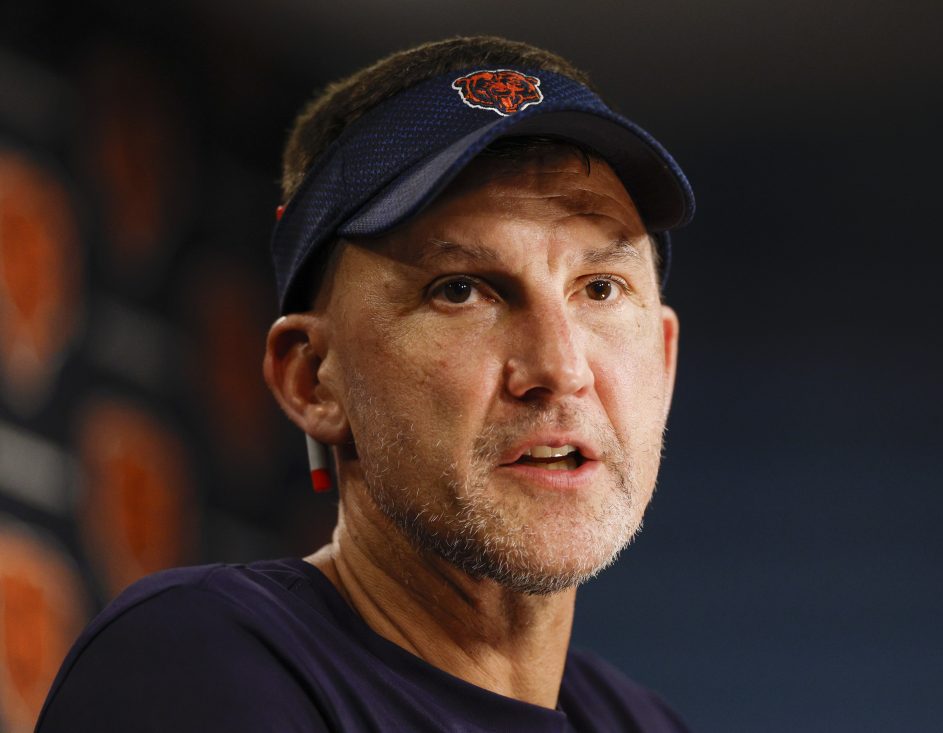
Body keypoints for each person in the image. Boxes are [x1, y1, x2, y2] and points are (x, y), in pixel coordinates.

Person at [37, 35, 695, 732]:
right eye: (460, 289)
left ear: (664, 358)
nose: (561, 368)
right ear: (312, 379)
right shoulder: (197, 660)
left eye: (601, 287)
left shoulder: (644, 721)